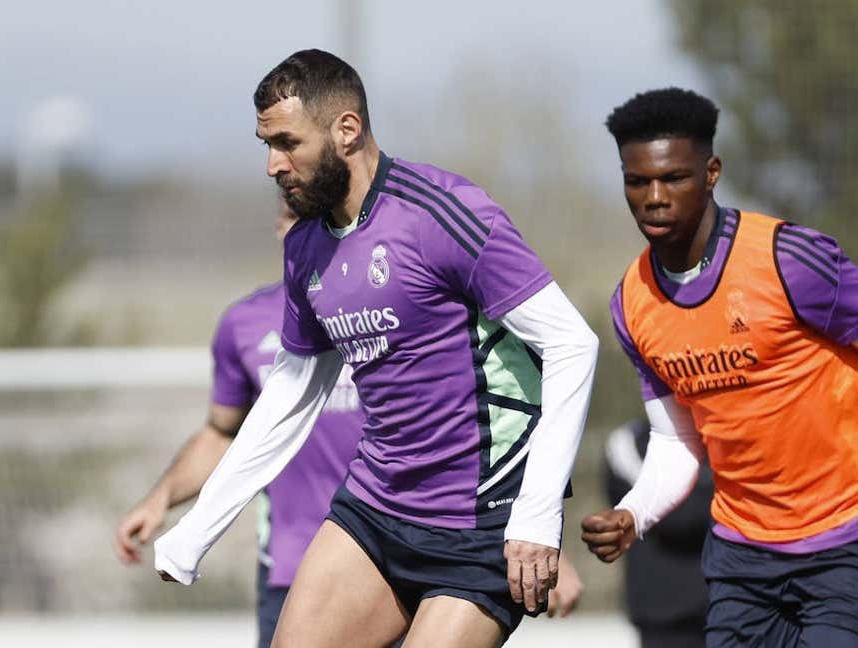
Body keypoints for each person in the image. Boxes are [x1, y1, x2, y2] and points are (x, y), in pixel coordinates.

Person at [152, 49, 599, 648]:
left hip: (479, 522)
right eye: (266, 144)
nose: (272, 165)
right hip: (376, 507)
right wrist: (200, 527)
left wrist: (538, 516)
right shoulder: (305, 246)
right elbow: (291, 394)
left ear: (346, 129)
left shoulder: (441, 213)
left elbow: (573, 343)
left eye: (287, 142)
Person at [581, 87, 858, 648]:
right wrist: (635, 512)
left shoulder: (786, 260)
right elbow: (676, 438)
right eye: (638, 181)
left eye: (674, 178)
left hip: (847, 541)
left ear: (710, 173)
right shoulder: (632, 305)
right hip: (741, 555)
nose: (654, 197)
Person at [112, 204, 364, 648]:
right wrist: (161, 498)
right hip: (290, 571)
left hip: (386, 560)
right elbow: (222, 434)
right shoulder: (244, 323)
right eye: (294, 217)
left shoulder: (388, 307)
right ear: (282, 227)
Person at [604, 417, 712, 648]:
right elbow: (678, 518)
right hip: (664, 615)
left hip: (730, 607)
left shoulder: (724, 436)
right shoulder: (628, 443)